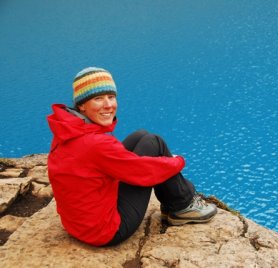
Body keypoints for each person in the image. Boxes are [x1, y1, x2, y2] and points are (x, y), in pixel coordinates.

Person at [47, 67, 217, 247]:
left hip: (78, 225)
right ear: (82, 105)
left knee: (140, 135)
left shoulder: (67, 131)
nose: (108, 105)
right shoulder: (96, 144)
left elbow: (112, 161)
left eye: (111, 97)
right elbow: (144, 172)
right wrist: (177, 161)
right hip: (106, 231)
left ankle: (175, 204)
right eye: (98, 98)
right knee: (154, 142)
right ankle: (182, 206)